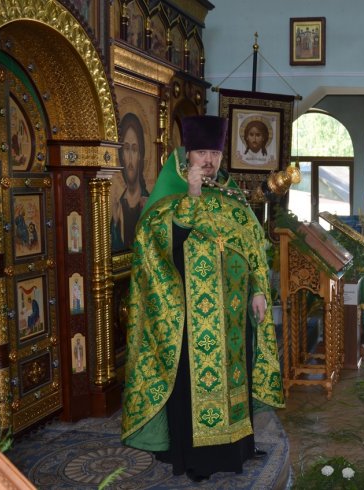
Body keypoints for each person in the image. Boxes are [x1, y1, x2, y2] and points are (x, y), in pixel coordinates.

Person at [121, 115, 284, 481]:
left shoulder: (231, 195)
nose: (209, 160)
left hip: (234, 316)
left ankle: (239, 448)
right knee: (193, 389)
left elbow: (254, 245)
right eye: (201, 153)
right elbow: (159, 246)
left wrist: (259, 289)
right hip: (189, 318)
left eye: (215, 153)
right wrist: (192, 196)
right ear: (187, 154)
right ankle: (197, 460)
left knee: (237, 379)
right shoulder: (171, 194)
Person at [111, 112, 149, 250]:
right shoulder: (118, 207)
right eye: (126, 149)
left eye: (135, 149)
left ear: (140, 155)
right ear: (121, 155)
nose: (131, 159)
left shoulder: (149, 201)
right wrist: (115, 223)